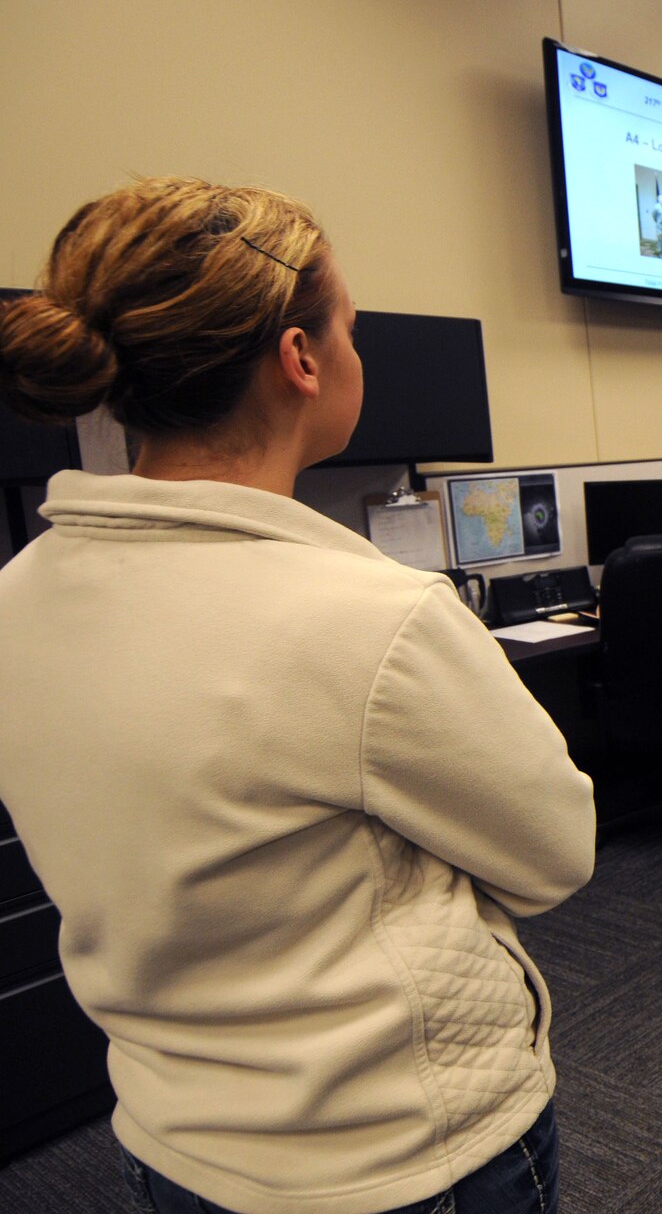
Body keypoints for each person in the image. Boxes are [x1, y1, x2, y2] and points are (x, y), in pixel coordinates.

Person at [0, 177, 597, 1213]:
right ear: (302, 358)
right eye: (351, 329)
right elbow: (555, 851)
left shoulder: (17, 596)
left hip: (174, 1144)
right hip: (397, 1156)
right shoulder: (372, 614)